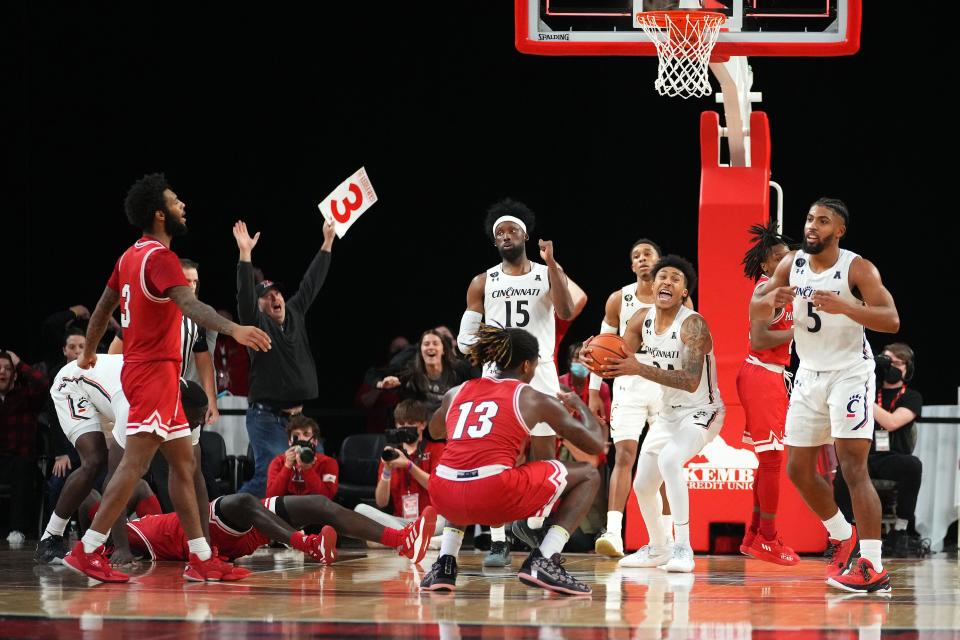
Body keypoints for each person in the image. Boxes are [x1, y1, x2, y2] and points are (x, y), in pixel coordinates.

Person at [65, 173, 271, 584]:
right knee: (132, 464)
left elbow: (104, 307)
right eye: (176, 202)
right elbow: (190, 304)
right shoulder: (160, 258)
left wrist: (90, 351)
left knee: (183, 465)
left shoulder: (129, 256)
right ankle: (86, 549)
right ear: (159, 213)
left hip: (158, 374)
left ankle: (200, 556)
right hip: (152, 373)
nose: (183, 206)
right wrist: (233, 330)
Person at [754, 197, 900, 593]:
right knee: (797, 470)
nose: (812, 226)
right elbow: (759, 309)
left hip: (850, 373)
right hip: (808, 374)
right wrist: (772, 301)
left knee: (853, 466)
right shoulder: (792, 264)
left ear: (839, 230)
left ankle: (872, 563)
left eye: (823, 221)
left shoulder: (857, 268)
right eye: (809, 219)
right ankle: (842, 534)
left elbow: (891, 319)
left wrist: (847, 306)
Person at [420, 324, 604, 595]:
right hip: (493, 494)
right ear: (528, 366)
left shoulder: (456, 392)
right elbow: (596, 444)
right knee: (589, 474)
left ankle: (445, 563)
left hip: (443, 493)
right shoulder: (532, 397)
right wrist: (579, 405)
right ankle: (544, 559)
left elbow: (434, 431)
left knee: (462, 462)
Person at [456, 198, 576, 567]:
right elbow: (464, 341)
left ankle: (534, 524)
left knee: (544, 455)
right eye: (500, 233)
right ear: (495, 243)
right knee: (496, 455)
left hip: (539, 371)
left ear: (525, 235)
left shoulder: (546, 272)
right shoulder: (482, 281)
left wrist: (553, 264)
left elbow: (567, 311)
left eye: (512, 230)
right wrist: (483, 347)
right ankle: (497, 540)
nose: (506, 236)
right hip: (497, 373)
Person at [588, 255, 725, 573]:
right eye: (662, 276)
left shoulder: (692, 324)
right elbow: (618, 356)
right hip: (669, 413)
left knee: (669, 460)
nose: (666, 281)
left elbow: (691, 382)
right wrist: (592, 354)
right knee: (643, 484)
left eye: (676, 278)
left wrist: (639, 368)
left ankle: (683, 547)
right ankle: (659, 548)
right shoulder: (639, 319)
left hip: (703, 410)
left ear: (684, 292)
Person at [590, 239, 685, 558]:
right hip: (628, 379)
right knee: (625, 455)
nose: (642, 259)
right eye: (636, 256)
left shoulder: (680, 299)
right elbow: (602, 345)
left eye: (648, 254)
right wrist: (594, 390)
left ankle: (669, 538)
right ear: (632, 266)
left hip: (663, 379)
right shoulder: (619, 299)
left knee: (665, 460)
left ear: (660, 264)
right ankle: (613, 533)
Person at [233, 218, 336, 498]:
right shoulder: (255, 324)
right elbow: (244, 297)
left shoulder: (295, 312)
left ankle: (301, 530)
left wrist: (327, 242)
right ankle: (225, 514)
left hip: (299, 418)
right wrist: (245, 255)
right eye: (267, 296)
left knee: (314, 473)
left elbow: (311, 283)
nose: (275, 298)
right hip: (266, 417)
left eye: (277, 292)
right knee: (270, 475)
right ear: (259, 306)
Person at [80, 490, 438, 565]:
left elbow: (137, 487)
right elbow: (93, 502)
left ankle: (402, 539)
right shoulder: (125, 535)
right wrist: (113, 544)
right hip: (208, 530)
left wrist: (120, 489)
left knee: (317, 503)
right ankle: (305, 544)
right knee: (242, 500)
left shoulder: (136, 519)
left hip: (232, 530)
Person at [736, 221, 798, 565]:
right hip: (762, 374)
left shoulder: (780, 290)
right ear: (766, 265)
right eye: (779, 257)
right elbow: (760, 340)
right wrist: (798, 333)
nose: (786, 261)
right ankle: (769, 539)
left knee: (767, 460)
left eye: (788, 255)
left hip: (767, 375)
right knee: (774, 461)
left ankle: (754, 535)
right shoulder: (765, 291)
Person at [833, 343, 924, 558]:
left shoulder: (911, 397)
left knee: (913, 466)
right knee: (843, 470)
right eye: (887, 361)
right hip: (865, 456)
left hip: (893, 458)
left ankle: (900, 531)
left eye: (898, 363)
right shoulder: (871, 391)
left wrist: (863, 399)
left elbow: (892, 422)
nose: (892, 367)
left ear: (907, 369)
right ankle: (845, 535)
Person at [355, 399, 446, 539]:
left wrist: (409, 466)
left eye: (410, 423)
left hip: (429, 521)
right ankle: (414, 539)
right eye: (401, 424)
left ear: (422, 424)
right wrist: (386, 470)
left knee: (447, 519)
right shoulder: (391, 454)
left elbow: (436, 486)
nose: (404, 427)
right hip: (400, 522)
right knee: (360, 509)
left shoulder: (436, 449)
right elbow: (381, 502)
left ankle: (401, 539)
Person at [0, 350, 48, 544]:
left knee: (23, 467)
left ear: (15, 374)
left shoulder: (26, 396)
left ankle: (17, 530)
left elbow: (44, 384)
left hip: (20, 460)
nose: (2, 372)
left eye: (7, 368)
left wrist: (19, 363)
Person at [376, 330, 474, 412]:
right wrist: (382, 383)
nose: (431, 347)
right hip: (423, 429)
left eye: (435, 343)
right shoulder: (411, 374)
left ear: (443, 350)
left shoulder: (460, 369)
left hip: (453, 426)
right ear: (420, 350)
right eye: (426, 344)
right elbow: (374, 374)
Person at [266, 415, 339, 499]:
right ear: (290, 442)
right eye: (296, 436)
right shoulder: (278, 461)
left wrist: (307, 469)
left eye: (306, 434)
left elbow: (327, 497)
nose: (301, 439)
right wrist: (287, 466)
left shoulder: (328, 462)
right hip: (286, 507)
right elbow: (271, 497)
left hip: (313, 508)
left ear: (315, 441)